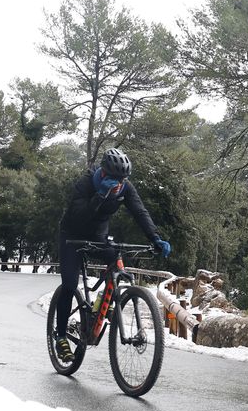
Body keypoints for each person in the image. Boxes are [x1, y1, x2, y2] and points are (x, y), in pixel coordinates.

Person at [54, 148, 171, 361]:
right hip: (72, 235)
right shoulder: (86, 183)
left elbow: (139, 211)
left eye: (123, 179)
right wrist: (100, 196)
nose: (119, 183)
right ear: (104, 174)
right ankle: (61, 336)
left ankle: (98, 309)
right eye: (115, 179)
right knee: (69, 286)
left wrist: (155, 238)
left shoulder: (125, 187)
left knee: (115, 260)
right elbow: (77, 216)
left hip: (98, 236)